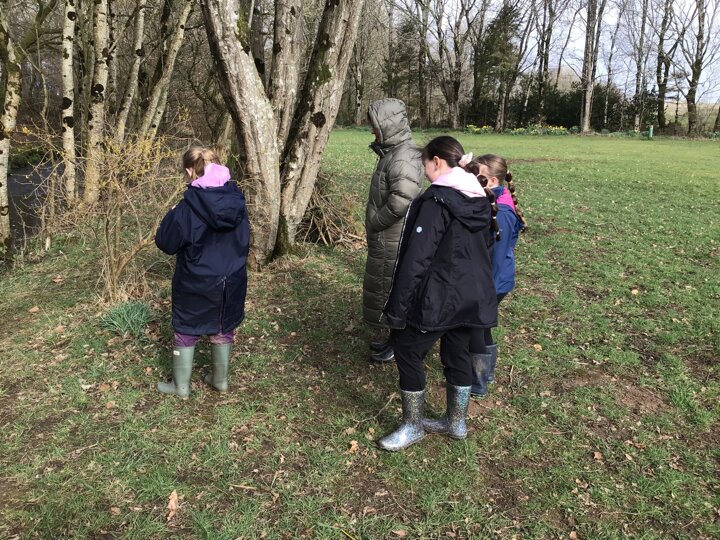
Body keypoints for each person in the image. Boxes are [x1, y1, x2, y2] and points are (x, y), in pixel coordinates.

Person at [377, 136, 498, 452]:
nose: (424, 172)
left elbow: (417, 258)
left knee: (406, 348)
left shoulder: (436, 201)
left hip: (440, 297)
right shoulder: (480, 197)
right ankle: (455, 422)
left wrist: (398, 307)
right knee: (457, 352)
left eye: (425, 165)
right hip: (473, 296)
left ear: (436, 161)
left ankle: (413, 425)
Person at [155, 147, 250, 398]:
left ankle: (180, 387)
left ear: (189, 171)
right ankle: (220, 380)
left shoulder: (187, 207)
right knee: (222, 324)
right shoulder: (237, 200)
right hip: (231, 278)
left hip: (195, 279)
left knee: (187, 327)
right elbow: (244, 240)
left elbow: (166, 242)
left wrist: (172, 213)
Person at [363, 98, 423, 363]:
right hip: (388, 238)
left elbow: (402, 199)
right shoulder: (395, 153)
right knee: (389, 290)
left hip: (394, 237)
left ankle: (399, 345)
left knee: (395, 292)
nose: (372, 131)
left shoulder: (402, 157)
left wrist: (376, 222)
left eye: (375, 126)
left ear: (388, 125)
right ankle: (392, 340)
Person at [469, 154, 526, 398]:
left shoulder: (501, 213)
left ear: (492, 180)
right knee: (484, 326)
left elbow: (496, 256)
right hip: (494, 280)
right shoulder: (495, 199)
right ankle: (487, 373)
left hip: (492, 282)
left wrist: (484, 290)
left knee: (475, 328)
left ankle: (478, 382)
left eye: (477, 175)